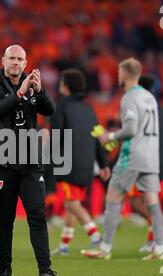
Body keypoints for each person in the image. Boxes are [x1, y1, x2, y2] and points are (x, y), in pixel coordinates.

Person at [0, 44, 63, 276]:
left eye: (20, 59)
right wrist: (18, 94)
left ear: (26, 63)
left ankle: (45, 273)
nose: (16, 62)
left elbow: (49, 110)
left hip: (30, 161)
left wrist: (40, 91)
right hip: (3, 161)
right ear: (3, 61)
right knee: (4, 221)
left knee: (37, 216)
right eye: (12, 58)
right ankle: (5, 274)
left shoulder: (31, 83)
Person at [81, 58, 163, 261]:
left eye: (119, 72)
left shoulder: (129, 98)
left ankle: (105, 248)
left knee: (112, 197)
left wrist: (109, 137)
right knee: (153, 201)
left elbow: (131, 129)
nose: (117, 76)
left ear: (127, 74)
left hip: (133, 155)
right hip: (151, 156)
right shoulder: (150, 97)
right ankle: (160, 248)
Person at [50, 69, 110, 256]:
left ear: (67, 87)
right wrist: (104, 163)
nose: (59, 86)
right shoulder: (89, 109)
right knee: (72, 203)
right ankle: (65, 245)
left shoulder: (61, 108)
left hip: (69, 163)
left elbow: (56, 137)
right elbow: (99, 136)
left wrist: (49, 161)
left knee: (71, 204)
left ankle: (95, 235)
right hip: (87, 163)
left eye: (61, 83)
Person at [128, 74, 163, 253]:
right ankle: (152, 240)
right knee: (149, 199)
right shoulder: (159, 108)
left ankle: (159, 225)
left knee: (135, 201)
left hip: (143, 159)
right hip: (158, 159)